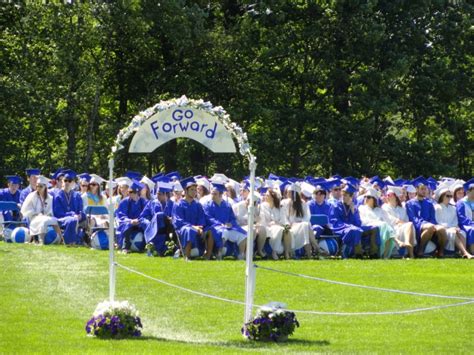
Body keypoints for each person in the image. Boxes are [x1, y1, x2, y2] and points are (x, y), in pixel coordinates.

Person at [330, 184, 378, 258]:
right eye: (343, 195)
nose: (343, 197)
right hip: (341, 229)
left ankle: (373, 253)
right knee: (355, 230)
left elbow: (358, 223)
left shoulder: (354, 207)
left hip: (354, 228)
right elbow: (335, 222)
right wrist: (349, 226)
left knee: (374, 228)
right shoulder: (335, 206)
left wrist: (353, 212)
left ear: (351, 197)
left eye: (346, 195)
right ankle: (358, 254)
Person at [406, 178, 448, 258]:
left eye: (425, 189)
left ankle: (440, 252)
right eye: (422, 189)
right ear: (416, 189)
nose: (424, 191)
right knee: (429, 227)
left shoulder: (429, 203)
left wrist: (433, 224)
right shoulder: (410, 203)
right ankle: (420, 251)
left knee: (442, 229)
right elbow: (413, 218)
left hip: (430, 225)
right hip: (418, 226)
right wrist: (425, 224)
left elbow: (433, 218)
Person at [203, 183, 247, 260]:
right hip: (215, 227)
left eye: (215, 194)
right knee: (224, 232)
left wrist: (230, 223)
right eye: (212, 193)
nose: (212, 195)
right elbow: (208, 218)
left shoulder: (227, 205)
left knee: (242, 234)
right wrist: (221, 224)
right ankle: (218, 253)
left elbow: (232, 218)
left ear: (220, 195)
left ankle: (241, 255)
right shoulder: (207, 205)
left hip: (228, 227)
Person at [172, 177, 208, 260]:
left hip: (197, 229)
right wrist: (193, 227)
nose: (194, 192)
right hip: (182, 230)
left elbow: (201, 219)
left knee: (209, 231)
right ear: (186, 190)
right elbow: (178, 221)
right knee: (189, 230)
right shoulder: (178, 204)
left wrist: (200, 227)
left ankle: (210, 254)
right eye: (192, 190)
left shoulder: (198, 205)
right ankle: (187, 257)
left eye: (195, 190)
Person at [20, 175, 62, 243]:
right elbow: (26, 209)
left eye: (40, 186)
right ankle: (41, 241)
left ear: (45, 187)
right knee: (43, 221)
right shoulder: (32, 196)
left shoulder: (49, 198)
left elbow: (49, 211)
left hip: (44, 216)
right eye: (37, 186)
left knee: (54, 220)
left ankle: (61, 240)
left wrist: (46, 215)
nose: (38, 188)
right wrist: (36, 214)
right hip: (33, 217)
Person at [280, 183, 317, 259]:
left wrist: (299, 222)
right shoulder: (284, 203)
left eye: (290, 192)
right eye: (288, 192)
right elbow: (283, 216)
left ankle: (312, 252)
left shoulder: (303, 203)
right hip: (291, 227)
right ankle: (315, 249)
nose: (288, 194)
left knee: (305, 225)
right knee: (306, 226)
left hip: (301, 226)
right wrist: (288, 224)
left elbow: (307, 216)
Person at [359, 188, 397, 258]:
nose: (366, 198)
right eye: (365, 196)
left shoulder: (379, 210)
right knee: (384, 226)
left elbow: (388, 220)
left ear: (374, 199)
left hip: (383, 229)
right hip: (369, 228)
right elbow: (363, 221)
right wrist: (378, 223)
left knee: (386, 227)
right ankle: (395, 241)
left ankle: (385, 255)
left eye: (369, 197)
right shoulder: (361, 208)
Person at [435, 189, 473, 259]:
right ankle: (465, 253)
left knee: (462, 232)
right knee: (452, 232)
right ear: (442, 196)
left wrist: (455, 226)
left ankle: (461, 253)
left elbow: (455, 220)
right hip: (443, 228)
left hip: (453, 227)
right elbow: (438, 221)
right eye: (447, 196)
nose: (449, 198)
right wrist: (449, 227)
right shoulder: (437, 207)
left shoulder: (453, 208)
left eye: (451, 196)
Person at [52, 170, 86, 245]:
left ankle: (87, 241)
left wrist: (80, 215)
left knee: (87, 219)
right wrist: (72, 214)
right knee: (72, 220)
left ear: (73, 183)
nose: (67, 183)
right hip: (62, 218)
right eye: (65, 180)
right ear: (62, 182)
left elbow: (81, 209)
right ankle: (70, 242)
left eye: (69, 181)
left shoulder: (77, 196)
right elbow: (57, 212)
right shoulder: (57, 195)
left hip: (75, 218)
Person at [382, 187, 416, 258]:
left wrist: (402, 223)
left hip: (403, 227)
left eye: (390, 195)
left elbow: (406, 219)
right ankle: (411, 253)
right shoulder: (385, 207)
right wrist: (398, 221)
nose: (387, 197)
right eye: (387, 195)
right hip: (392, 228)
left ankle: (408, 247)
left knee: (410, 225)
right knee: (410, 225)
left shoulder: (402, 208)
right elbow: (389, 219)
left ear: (395, 196)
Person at [115, 180, 148, 253]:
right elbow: (121, 215)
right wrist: (130, 221)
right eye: (128, 192)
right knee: (127, 225)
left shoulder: (144, 202)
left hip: (140, 221)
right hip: (129, 222)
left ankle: (148, 246)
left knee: (146, 223)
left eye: (130, 192)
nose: (128, 193)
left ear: (136, 193)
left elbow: (146, 214)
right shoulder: (124, 202)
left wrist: (139, 220)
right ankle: (125, 247)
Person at [259, 188, 285, 260]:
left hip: (277, 226)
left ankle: (274, 251)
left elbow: (283, 220)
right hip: (266, 227)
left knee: (279, 229)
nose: (265, 197)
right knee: (272, 230)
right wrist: (268, 224)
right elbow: (262, 219)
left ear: (272, 197)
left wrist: (276, 223)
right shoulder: (263, 206)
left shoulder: (280, 207)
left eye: (267, 195)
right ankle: (273, 251)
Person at [456, 180, 474, 255]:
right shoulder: (461, 202)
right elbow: (461, 217)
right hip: (464, 224)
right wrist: (471, 223)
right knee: (472, 229)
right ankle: (472, 251)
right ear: (468, 192)